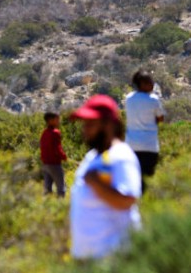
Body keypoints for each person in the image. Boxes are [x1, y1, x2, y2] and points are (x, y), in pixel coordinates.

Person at [69, 95, 142, 260]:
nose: (85, 129)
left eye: (91, 124)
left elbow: (128, 200)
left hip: (114, 258)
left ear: (108, 125)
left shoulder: (121, 156)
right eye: (84, 124)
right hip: (89, 260)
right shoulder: (93, 156)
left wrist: (96, 183)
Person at [124, 71, 165, 193]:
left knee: (133, 177)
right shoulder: (153, 99)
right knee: (147, 178)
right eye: (148, 82)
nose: (151, 84)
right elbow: (160, 118)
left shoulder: (129, 98)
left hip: (131, 144)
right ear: (140, 84)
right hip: (149, 145)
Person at [40, 112, 68, 197]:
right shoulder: (55, 132)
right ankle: (60, 207)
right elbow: (57, 149)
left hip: (45, 164)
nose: (59, 121)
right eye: (57, 119)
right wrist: (64, 157)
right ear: (51, 120)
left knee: (47, 189)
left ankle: (46, 206)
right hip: (55, 164)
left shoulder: (44, 133)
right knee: (61, 188)